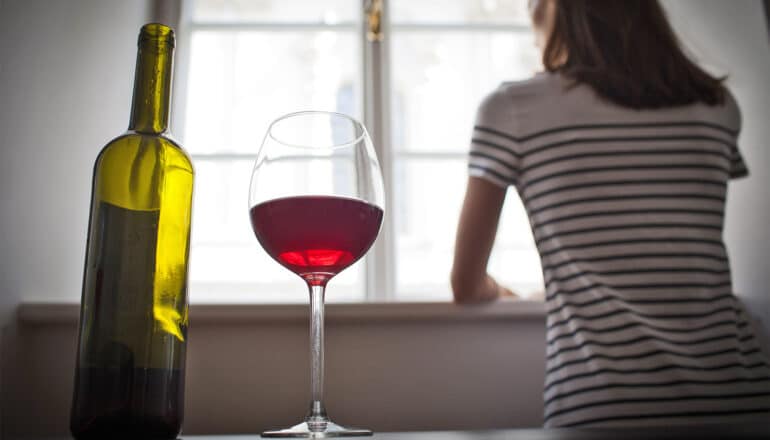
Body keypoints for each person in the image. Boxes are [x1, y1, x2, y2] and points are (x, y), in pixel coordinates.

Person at [451, 0, 770, 428]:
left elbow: (466, 284)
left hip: (604, 407)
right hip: (743, 400)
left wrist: (513, 293)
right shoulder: (717, 105)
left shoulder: (512, 109)